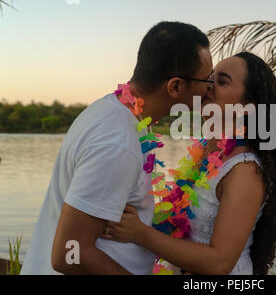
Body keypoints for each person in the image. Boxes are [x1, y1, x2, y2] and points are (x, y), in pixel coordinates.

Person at [20, 21, 214, 275]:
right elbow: (69, 254)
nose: (210, 87)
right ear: (175, 87)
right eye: (206, 79)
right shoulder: (117, 142)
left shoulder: (119, 113)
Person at [102, 52, 276, 275]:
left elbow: (220, 263)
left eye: (222, 81)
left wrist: (139, 233)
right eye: (210, 78)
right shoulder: (204, 152)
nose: (208, 86)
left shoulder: (244, 170)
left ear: (247, 107)